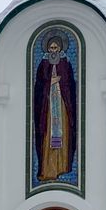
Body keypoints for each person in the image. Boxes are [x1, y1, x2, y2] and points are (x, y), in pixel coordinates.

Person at [32, 29, 77, 183]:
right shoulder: (43, 64)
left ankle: (62, 167)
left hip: (62, 105)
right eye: (50, 48)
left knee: (63, 133)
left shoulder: (65, 63)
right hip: (48, 107)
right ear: (47, 49)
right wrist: (48, 83)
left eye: (55, 48)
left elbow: (70, 84)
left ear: (60, 49)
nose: (53, 51)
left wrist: (61, 82)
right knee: (47, 134)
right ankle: (48, 169)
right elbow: (38, 85)